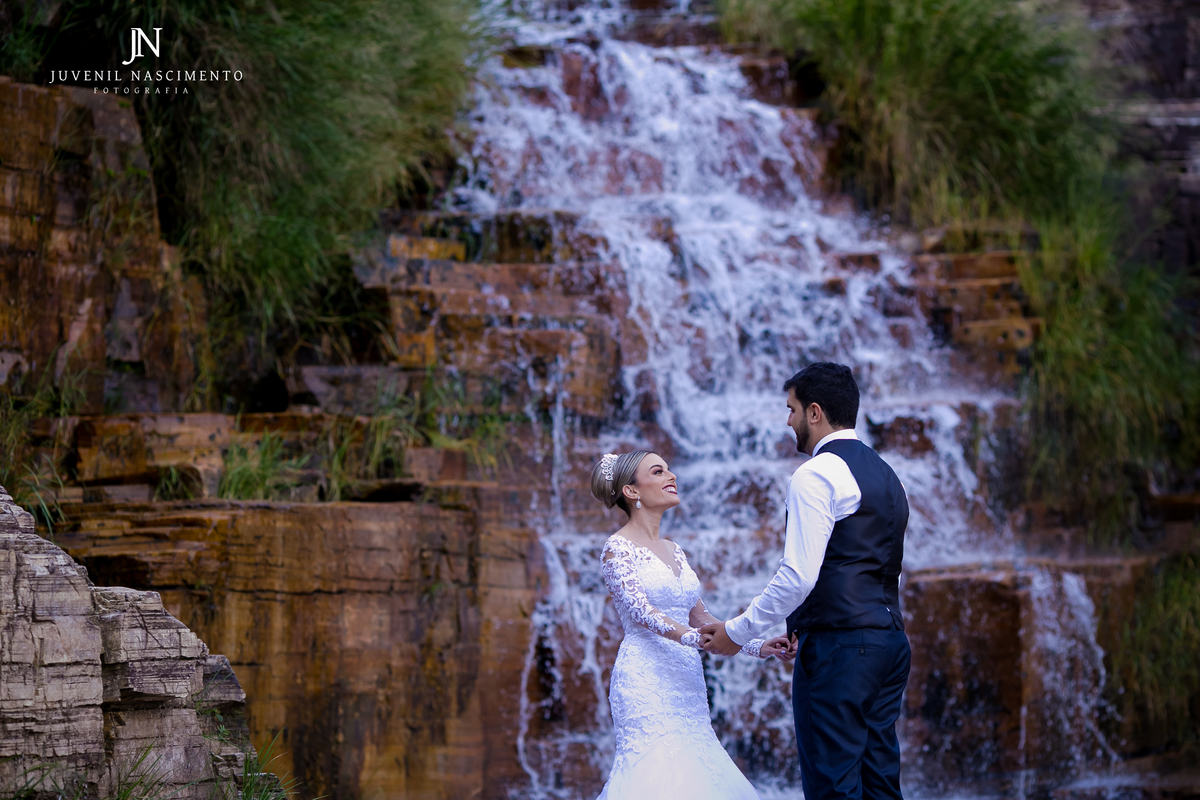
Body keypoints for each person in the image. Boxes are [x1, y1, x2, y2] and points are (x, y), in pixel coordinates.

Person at [700, 362, 912, 800]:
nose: (788, 420)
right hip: (889, 644)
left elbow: (797, 576)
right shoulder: (887, 474)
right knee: (881, 786)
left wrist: (737, 633)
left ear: (815, 412)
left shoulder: (816, 473)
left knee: (832, 788)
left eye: (792, 409)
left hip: (840, 650)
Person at [590, 449, 790, 800]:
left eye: (669, 469)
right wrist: (692, 638)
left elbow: (702, 618)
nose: (671, 476)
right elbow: (641, 611)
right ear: (632, 491)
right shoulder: (617, 548)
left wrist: (758, 645)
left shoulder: (674, 549)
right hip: (645, 679)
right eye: (658, 471)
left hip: (687, 680)